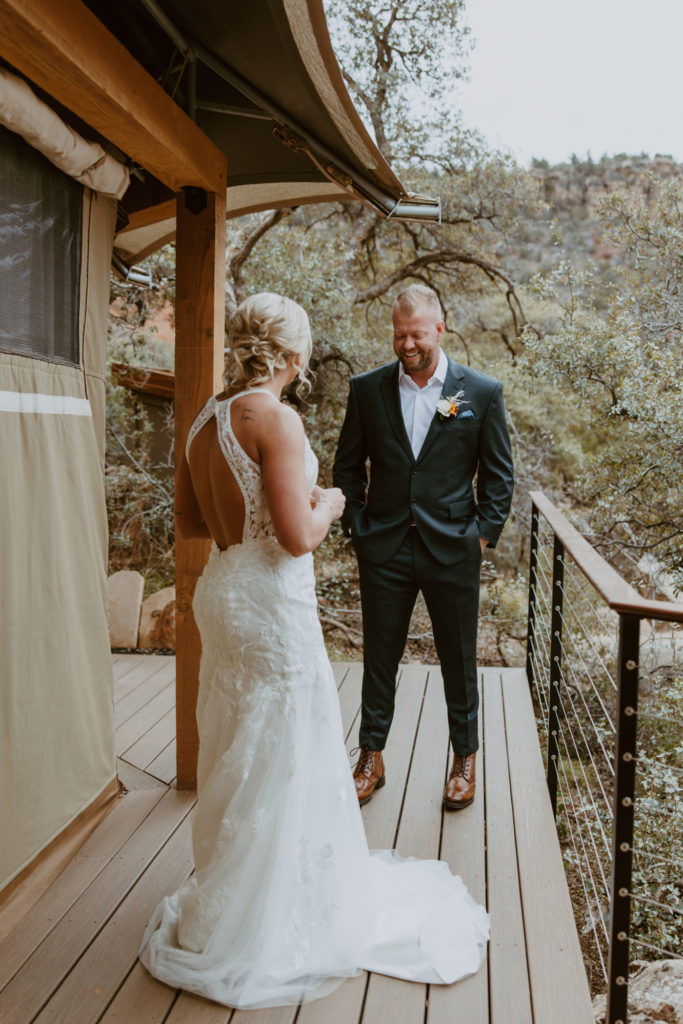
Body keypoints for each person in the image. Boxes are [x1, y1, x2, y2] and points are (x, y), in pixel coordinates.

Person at [138, 292, 489, 1010]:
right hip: (269, 601)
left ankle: (228, 897)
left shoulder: (205, 416)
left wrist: (253, 514)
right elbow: (297, 537)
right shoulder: (276, 418)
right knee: (291, 740)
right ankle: (282, 909)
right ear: (294, 356)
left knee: (238, 740)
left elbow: (187, 517)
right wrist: (326, 504)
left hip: (223, 591)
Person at [333, 284, 514, 811]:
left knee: (458, 659)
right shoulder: (367, 390)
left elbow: (499, 477)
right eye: (398, 335)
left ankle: (464, 757)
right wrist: (358, 528)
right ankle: (371, 756)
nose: (406, 344)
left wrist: (480, 537)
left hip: (453, 548)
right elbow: (348, 466)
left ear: (440, 327)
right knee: (379, 656)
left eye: (416, 334)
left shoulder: (479, 391)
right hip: (384, 546)